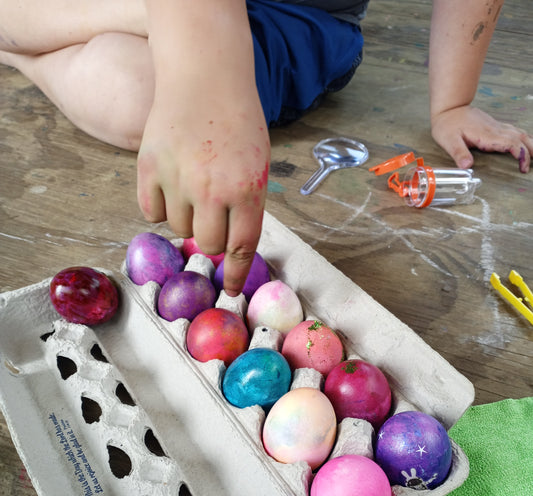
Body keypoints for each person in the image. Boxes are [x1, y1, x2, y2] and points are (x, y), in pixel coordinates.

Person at [1, 0, 531, 296]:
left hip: (291, 18)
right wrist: (203, 57)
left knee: (128, 89)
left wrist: (452, 103)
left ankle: (35, 51)